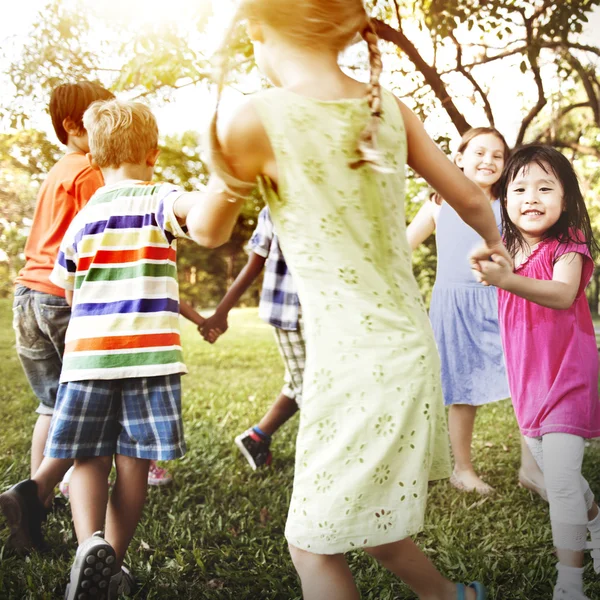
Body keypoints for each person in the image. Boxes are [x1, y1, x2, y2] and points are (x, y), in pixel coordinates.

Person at [185, 1, 512, 597]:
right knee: (363, 519)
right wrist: (495, 243)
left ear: (257, 29)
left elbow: (207, 230)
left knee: (311, 543)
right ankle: (452, 596)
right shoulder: (385, 105)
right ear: (344, 27)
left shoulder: (256, 117)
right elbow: (467, 195)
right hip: (401, 350)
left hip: (355, 359)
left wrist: (175, 199)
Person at [43, 98, 198, 598]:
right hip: (149, 358)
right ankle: (114, 561)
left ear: (94, 158)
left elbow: (66, 288)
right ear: (152, 154)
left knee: (88, 457)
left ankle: (88, 546)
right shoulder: (158, 196)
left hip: (87, 357)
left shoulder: (84, 216)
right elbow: (190, 210)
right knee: (132, 462)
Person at [472, 145, 600, 600]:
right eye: (520, 187)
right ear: (504, 199)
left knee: (561, 481)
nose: (532, 196)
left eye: (546, 187)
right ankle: (597, 524)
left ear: (565, 200)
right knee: (563, 476)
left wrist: (506, 280)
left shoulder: (570, 248)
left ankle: (570, 584)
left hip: (569, 376)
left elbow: (563, 295)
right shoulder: (505, 252)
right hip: (528, 385)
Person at [0, 81, 114, 552]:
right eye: (100, 119)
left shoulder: (57, 171)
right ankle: (44, 492)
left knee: (53, 404)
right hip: (60, 298)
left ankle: (32, 511)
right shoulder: (89, 171)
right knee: (91, 410)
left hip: (26, 295)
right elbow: (96, 240)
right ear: (73, 125)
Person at [406, 127, 546, 498]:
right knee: (462, 390)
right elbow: (403, 247)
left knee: (525, 382)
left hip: (504, 301)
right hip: (454, 307)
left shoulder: (511, 203)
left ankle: (532, 468)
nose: (488, 161)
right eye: (479, 153)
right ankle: (462, 470)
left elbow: (527, 251)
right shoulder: (438, 203)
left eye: (497, 156)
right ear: (460, 158)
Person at [56, 299, 208, 497]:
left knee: (90, 441)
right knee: (122, 447)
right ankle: (48, 481)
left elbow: (71, 293)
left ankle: (39, 487)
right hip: (126, 345)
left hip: (95, 344)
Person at [202, 205, 303, 469]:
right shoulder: (276, 206)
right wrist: (221, 312)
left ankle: (257, 438)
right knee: (314, 390)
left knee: (304, 381)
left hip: (328, 314)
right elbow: (254, 263)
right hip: (292, 315)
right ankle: (325, 461)